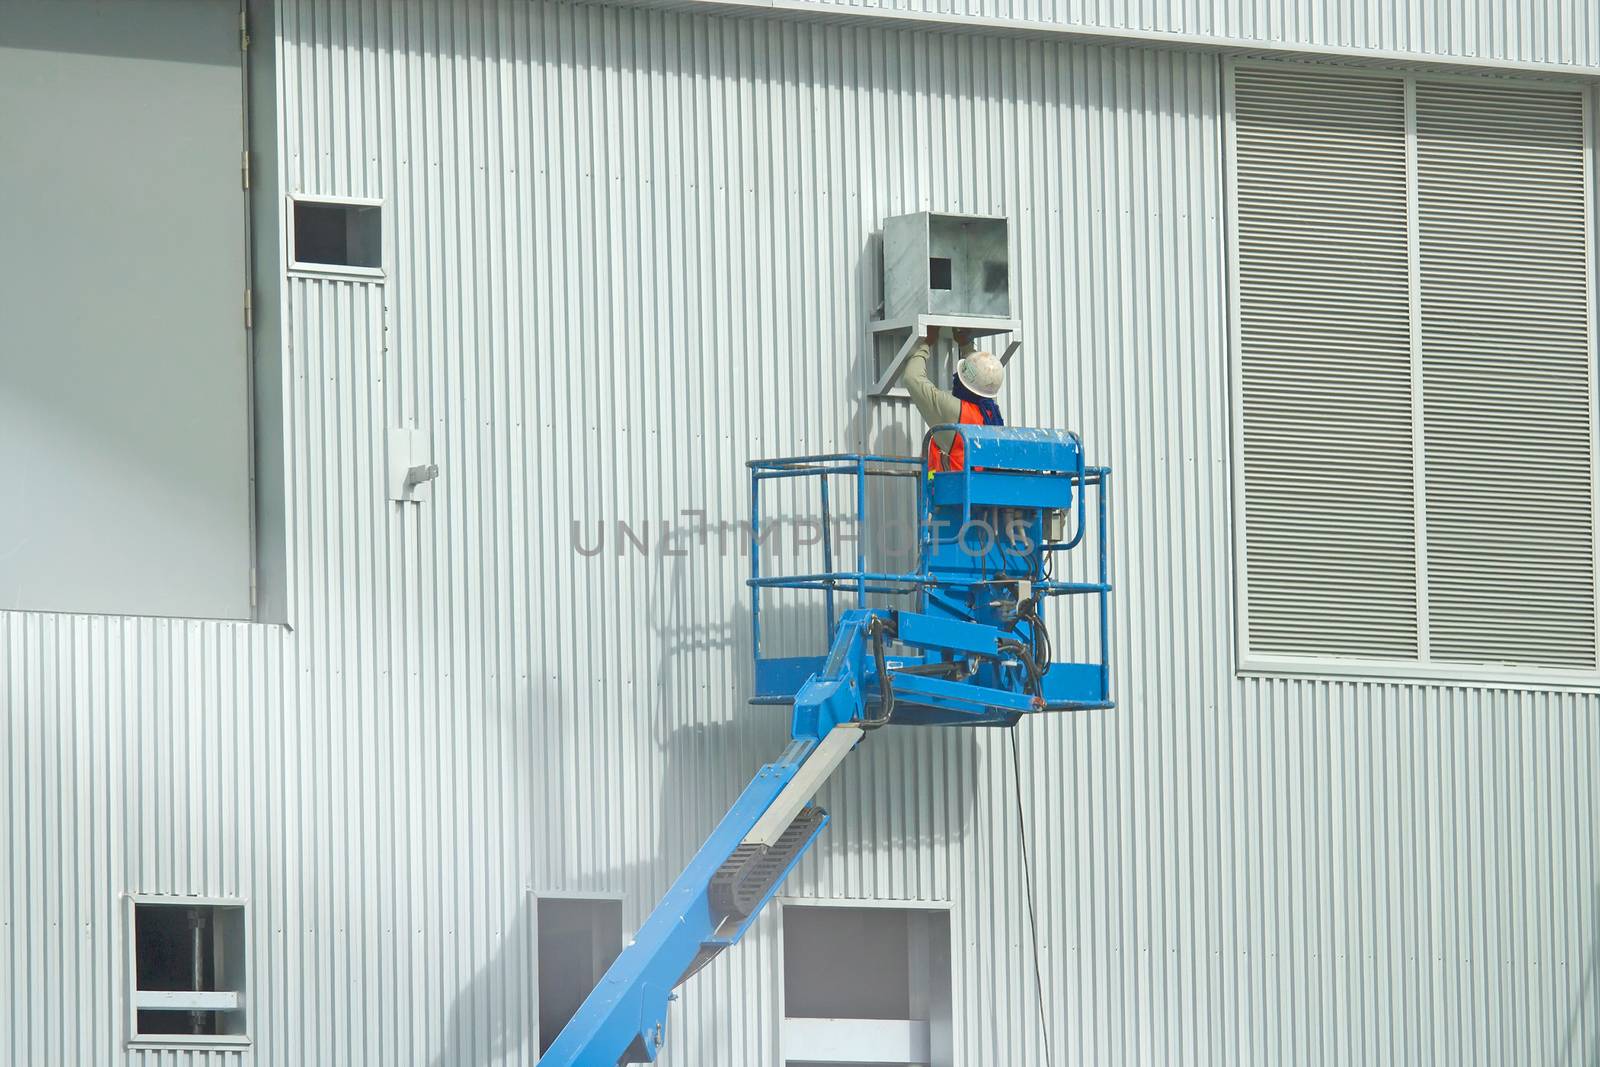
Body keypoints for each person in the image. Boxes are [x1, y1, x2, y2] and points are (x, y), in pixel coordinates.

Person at [899, 327, 1005, 472]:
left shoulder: (955, 411)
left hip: (951, 492)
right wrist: (966, 346)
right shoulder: (991, 413)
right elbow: (981, 379)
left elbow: (912, 378)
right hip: (982, 491)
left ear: (962, 382)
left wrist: (926, 343)